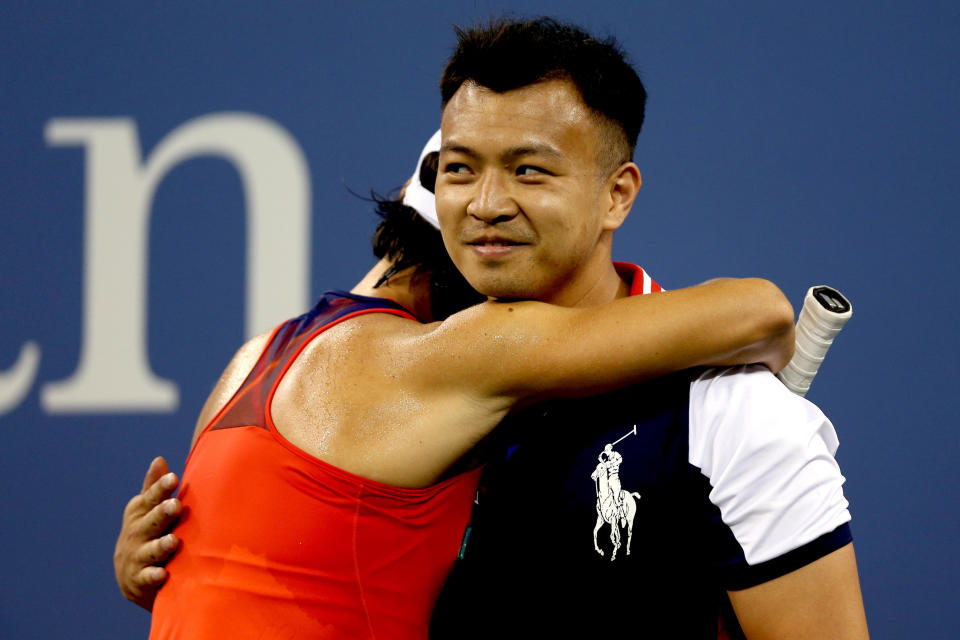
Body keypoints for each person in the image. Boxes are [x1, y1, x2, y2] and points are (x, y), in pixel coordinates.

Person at [123, 120, 795, 638]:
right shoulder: (449, 355)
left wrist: (137, 567)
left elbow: (210, 576)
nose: (517, 297)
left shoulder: (251, 360)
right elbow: (760, 310)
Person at [424, 17, 869, 639]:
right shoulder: (412, 367)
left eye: (529, 171)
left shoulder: (734, 411)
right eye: (460, 169)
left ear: (617, 195)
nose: (486, 204)